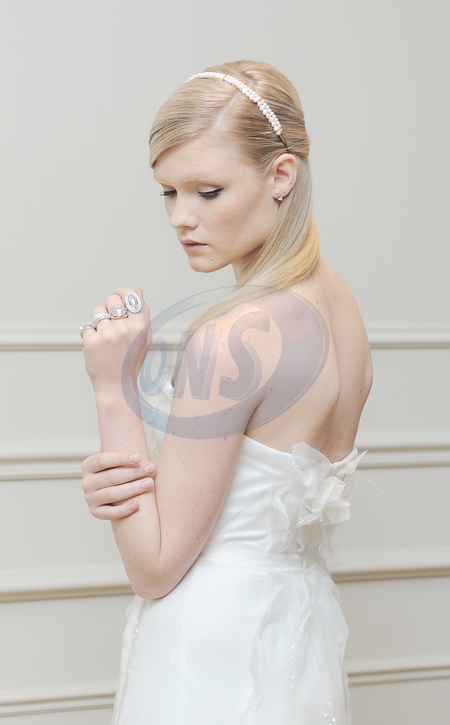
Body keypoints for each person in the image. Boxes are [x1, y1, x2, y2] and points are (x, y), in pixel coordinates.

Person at [80, 60, 372, 725]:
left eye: (208, 191)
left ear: (281, 175)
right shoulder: (341, 307)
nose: (180, 217)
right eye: (168, 191)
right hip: (302, 632)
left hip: (211, 653)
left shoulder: (232, 338)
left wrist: (114, 389)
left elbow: (155, 567)